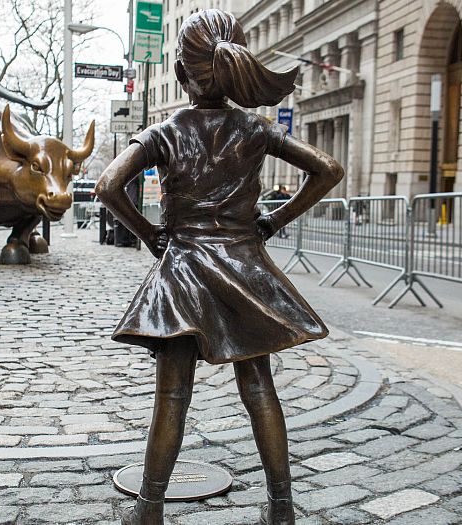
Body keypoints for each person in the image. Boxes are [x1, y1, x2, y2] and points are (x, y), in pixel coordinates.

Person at [96, 10, 344, 525]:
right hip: (244, 267)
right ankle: (281, 509)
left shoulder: (163, 132)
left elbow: (107, 187)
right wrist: (272, 223)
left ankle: (150, 509)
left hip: (183, 268)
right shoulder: (254, 128)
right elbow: (329, 170)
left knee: (172, 394)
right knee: (259, 386)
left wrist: (151, 237)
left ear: (184, 76)